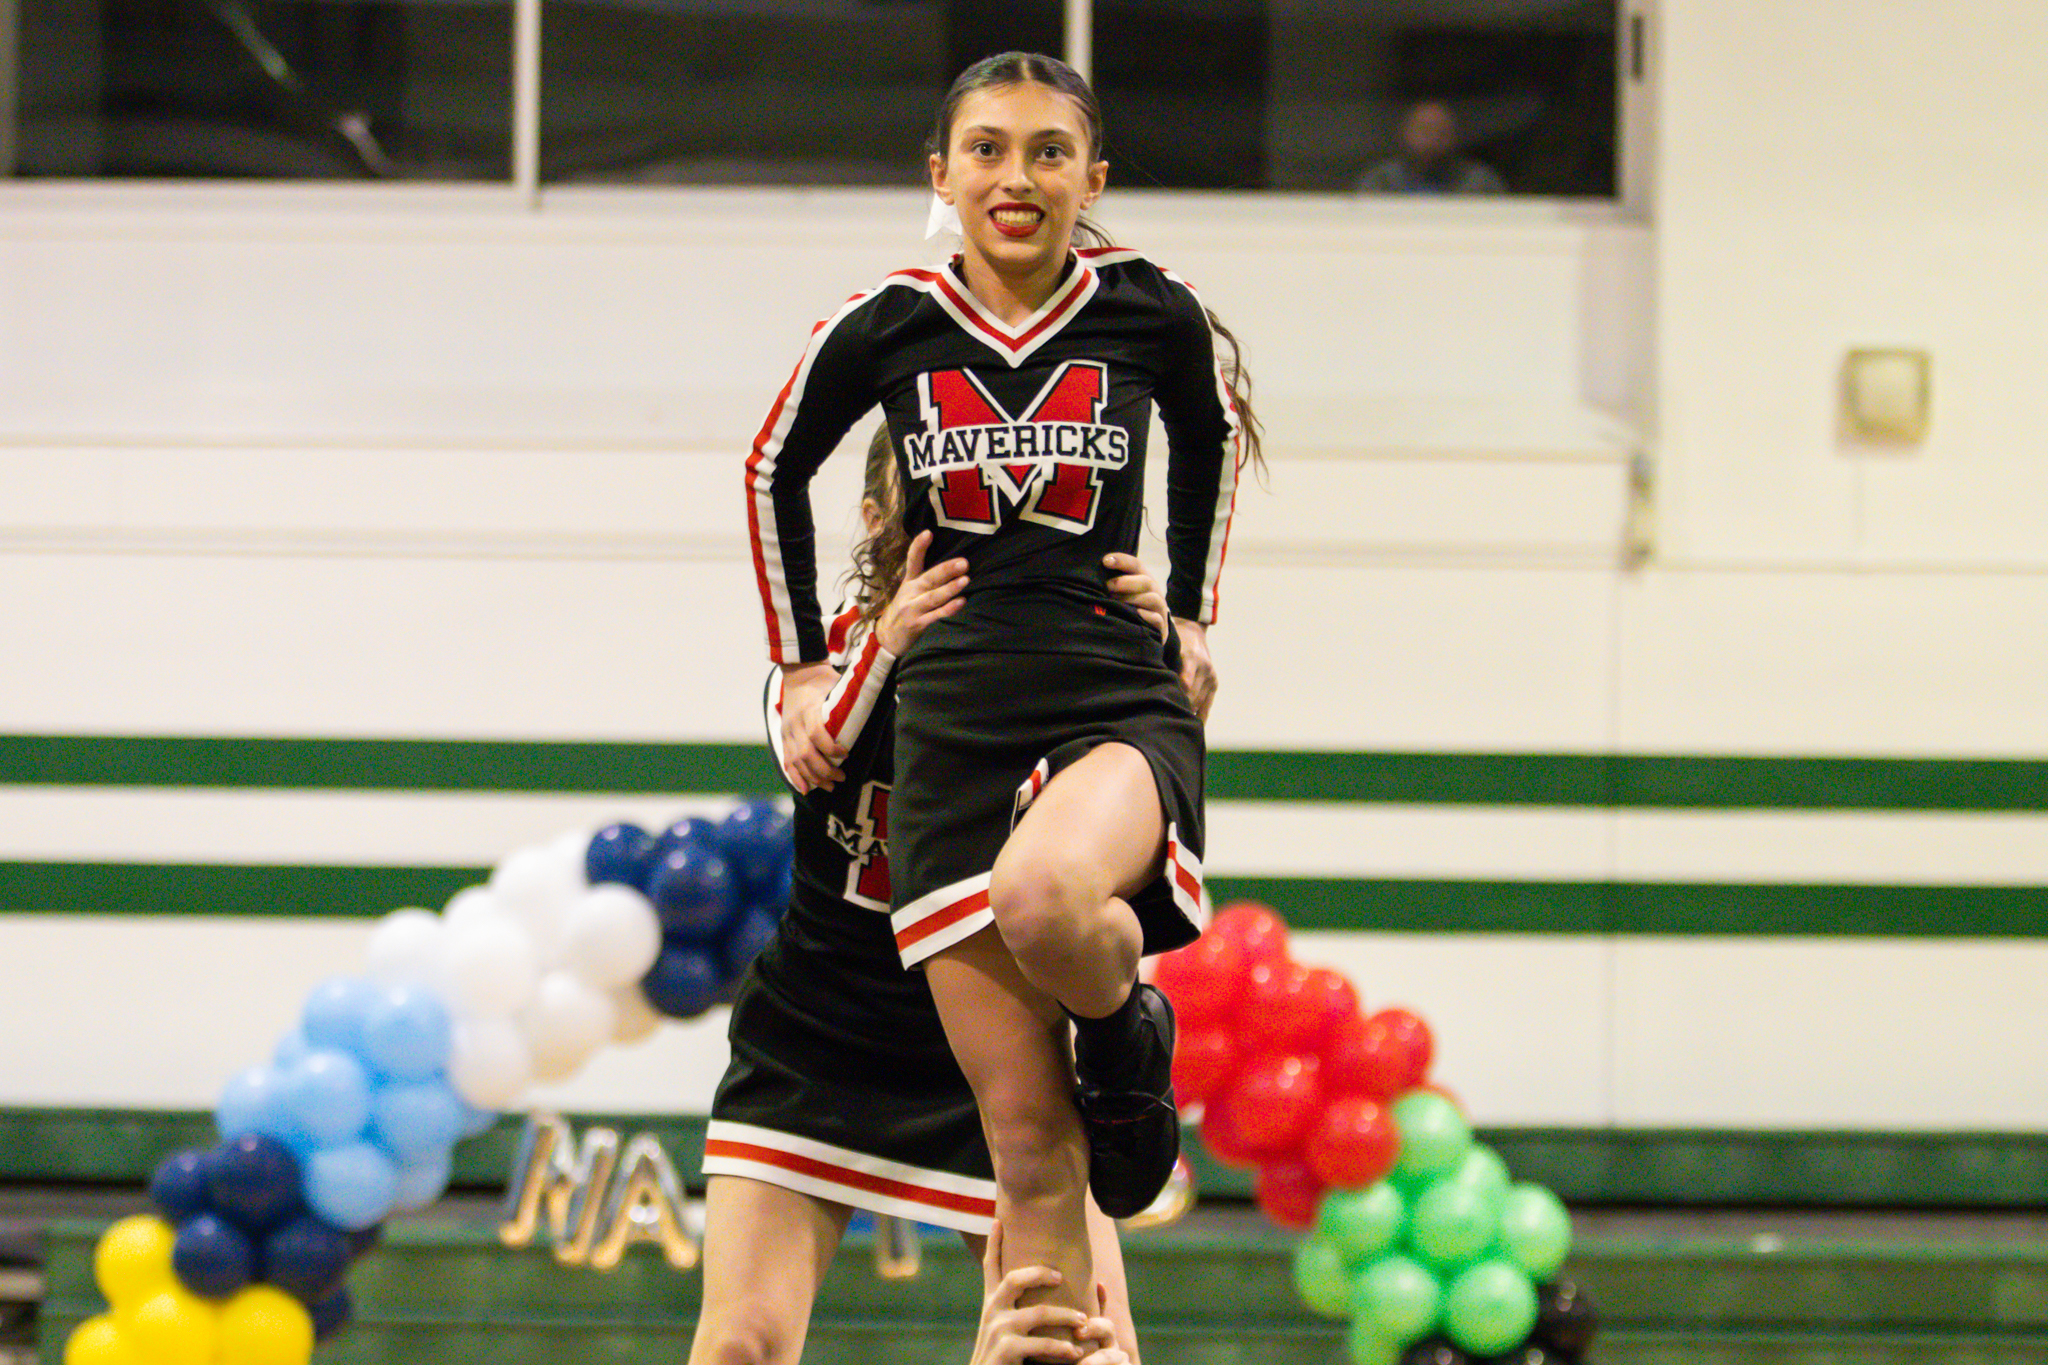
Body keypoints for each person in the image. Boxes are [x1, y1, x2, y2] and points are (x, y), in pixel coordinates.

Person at [744, 50, 1259, 1338]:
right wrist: (802, 660)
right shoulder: (891, 324)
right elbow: (769, 469)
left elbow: (1208, 436)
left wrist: (1191, 610)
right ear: (941, 175)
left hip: (1109, 696)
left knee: (1044, 894)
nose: (1015, 175)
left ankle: (1124, 1030)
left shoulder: (1147, 308)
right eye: (985, 148)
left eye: (1045, 150)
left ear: (1092, 176)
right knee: (1028, 1151)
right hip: (952, 735)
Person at [695, 428, 1172, 1365]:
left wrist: (1150, 647)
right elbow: (816, 749)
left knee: (1086, 1347)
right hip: (820, 1030)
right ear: (880, 524)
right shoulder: (824, 656)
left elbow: (1131, 813)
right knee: (740, 1345)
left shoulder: (1059, 662)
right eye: (940, 511)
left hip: (994, 1040)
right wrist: (892, 640)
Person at [1357, 99, 1505, 195]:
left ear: (1454, 136)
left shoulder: (1479, 182)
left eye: (1441, 132)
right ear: (1406, 133)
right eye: (1424, 130)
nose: (1433, 139)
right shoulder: (1382, 180)